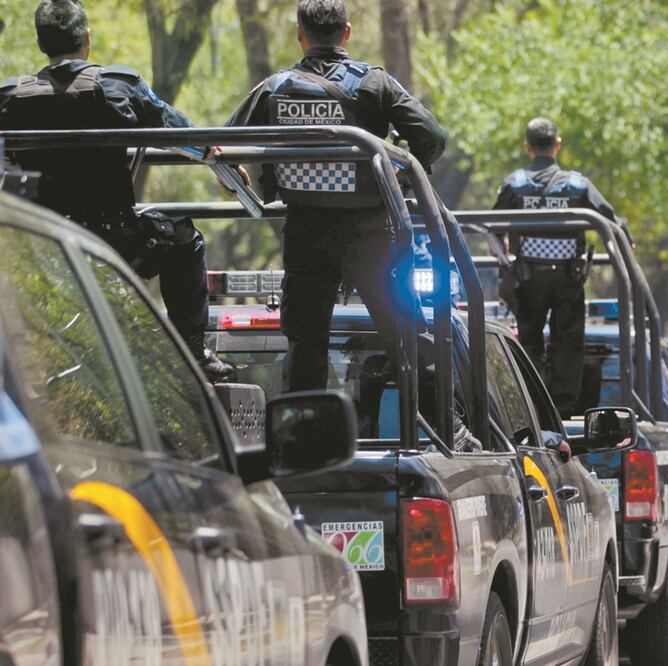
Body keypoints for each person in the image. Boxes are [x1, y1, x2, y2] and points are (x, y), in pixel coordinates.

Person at [0, 0, 233, 381]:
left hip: (42, 244)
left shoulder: (11, 97)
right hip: (115, 240)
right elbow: (184, 136)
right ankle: (194, 357)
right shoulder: (118, 86)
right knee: (185, 237)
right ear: (87, 39)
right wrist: (220, 162)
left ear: (41, 43)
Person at [226, 0, 445, 394]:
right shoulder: (374, 83)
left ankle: (302, 438)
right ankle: (449, 429)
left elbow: (224, 143)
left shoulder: (274, 88)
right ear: (346, 33)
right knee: (405, 333)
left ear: (299, 35)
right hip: (372, 233)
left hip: (305, 231)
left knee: (306, 340)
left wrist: (234, 175)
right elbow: (432, 136)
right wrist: (402, 177)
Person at [493, 117, 628, 417]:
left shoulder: (514, 184)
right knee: (567, 343)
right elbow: (612, 222)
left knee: (528, 342)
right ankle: (562, 410)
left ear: (528, 148)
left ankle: (531, 407)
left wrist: (504, 263)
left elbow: (491, 229)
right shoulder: (578, 185)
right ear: (557, 145)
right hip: (568, 280)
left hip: (528, 280)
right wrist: (625, 250)